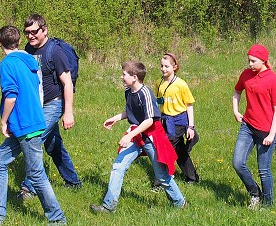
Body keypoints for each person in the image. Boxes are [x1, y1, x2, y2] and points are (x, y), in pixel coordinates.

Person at [0, 26, 67, 226]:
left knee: (36, 173)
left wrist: (3, 120)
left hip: (25, 125)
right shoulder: (30, 60)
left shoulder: (7, 64)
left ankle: (57, 218)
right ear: (17, 41)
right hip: (29, 122)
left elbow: (11, 95)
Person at [90, 61, 186, 213]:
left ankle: (180, 202)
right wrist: (116, 118)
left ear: (134, 77)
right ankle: (109, 206)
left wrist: (129, 136)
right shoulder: (129, 91)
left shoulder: (146, 93)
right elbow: (131, 111)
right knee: (118, 166)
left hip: (151, 137)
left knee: (161, 175)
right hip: (137, 135)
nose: (122, 77)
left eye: (124, 75)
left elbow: (149, 120)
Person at [18, 14, 82, 200]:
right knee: (54, 145)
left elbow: (67, 83)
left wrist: (68, 112)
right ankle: (73, 182)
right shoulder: (28, 49)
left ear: (44, 30)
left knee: (34, 140)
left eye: (34, 32)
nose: (30, 36)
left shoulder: (55, 52)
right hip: (38, 105)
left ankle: (28, 188)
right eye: (27, 32)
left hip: (54, 103)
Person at [232, 45, 276, 209]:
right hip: (248, 126)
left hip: (266, 131)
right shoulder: (246, 75)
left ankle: (268, 205)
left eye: (253, 61)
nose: (250, 64)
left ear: (263, 60)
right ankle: (255, 193)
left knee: (264, 170)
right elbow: (237, 91)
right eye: (249, 60)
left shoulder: (273, 79)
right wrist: (235, 110)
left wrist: (271, 134)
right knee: (238, 163)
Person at [155, 52, 199, 184]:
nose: (163, 69)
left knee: (165, 150)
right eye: (162, 66)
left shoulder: (181, 84)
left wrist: (190, 126)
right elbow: (159, 102)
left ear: (174, 67)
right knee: (180, 150)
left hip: (179, 122)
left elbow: (189, 105)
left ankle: (160, 181)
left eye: (167, 66)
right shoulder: (159, 83)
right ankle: (192, 177)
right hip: (165, 120)